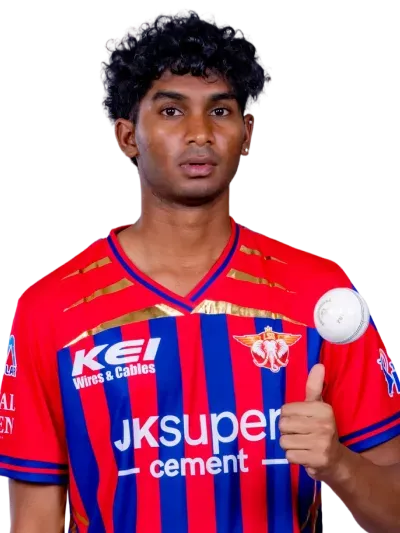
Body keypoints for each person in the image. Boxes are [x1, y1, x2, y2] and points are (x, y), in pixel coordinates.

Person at [0, 8, 399, 533]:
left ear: (246, 132)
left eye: (220, 111)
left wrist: (338, 465)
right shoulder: (50, 310)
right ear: (127, 136)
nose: (199, 133)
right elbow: (34, 518)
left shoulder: (321, 296)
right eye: (171, 111)